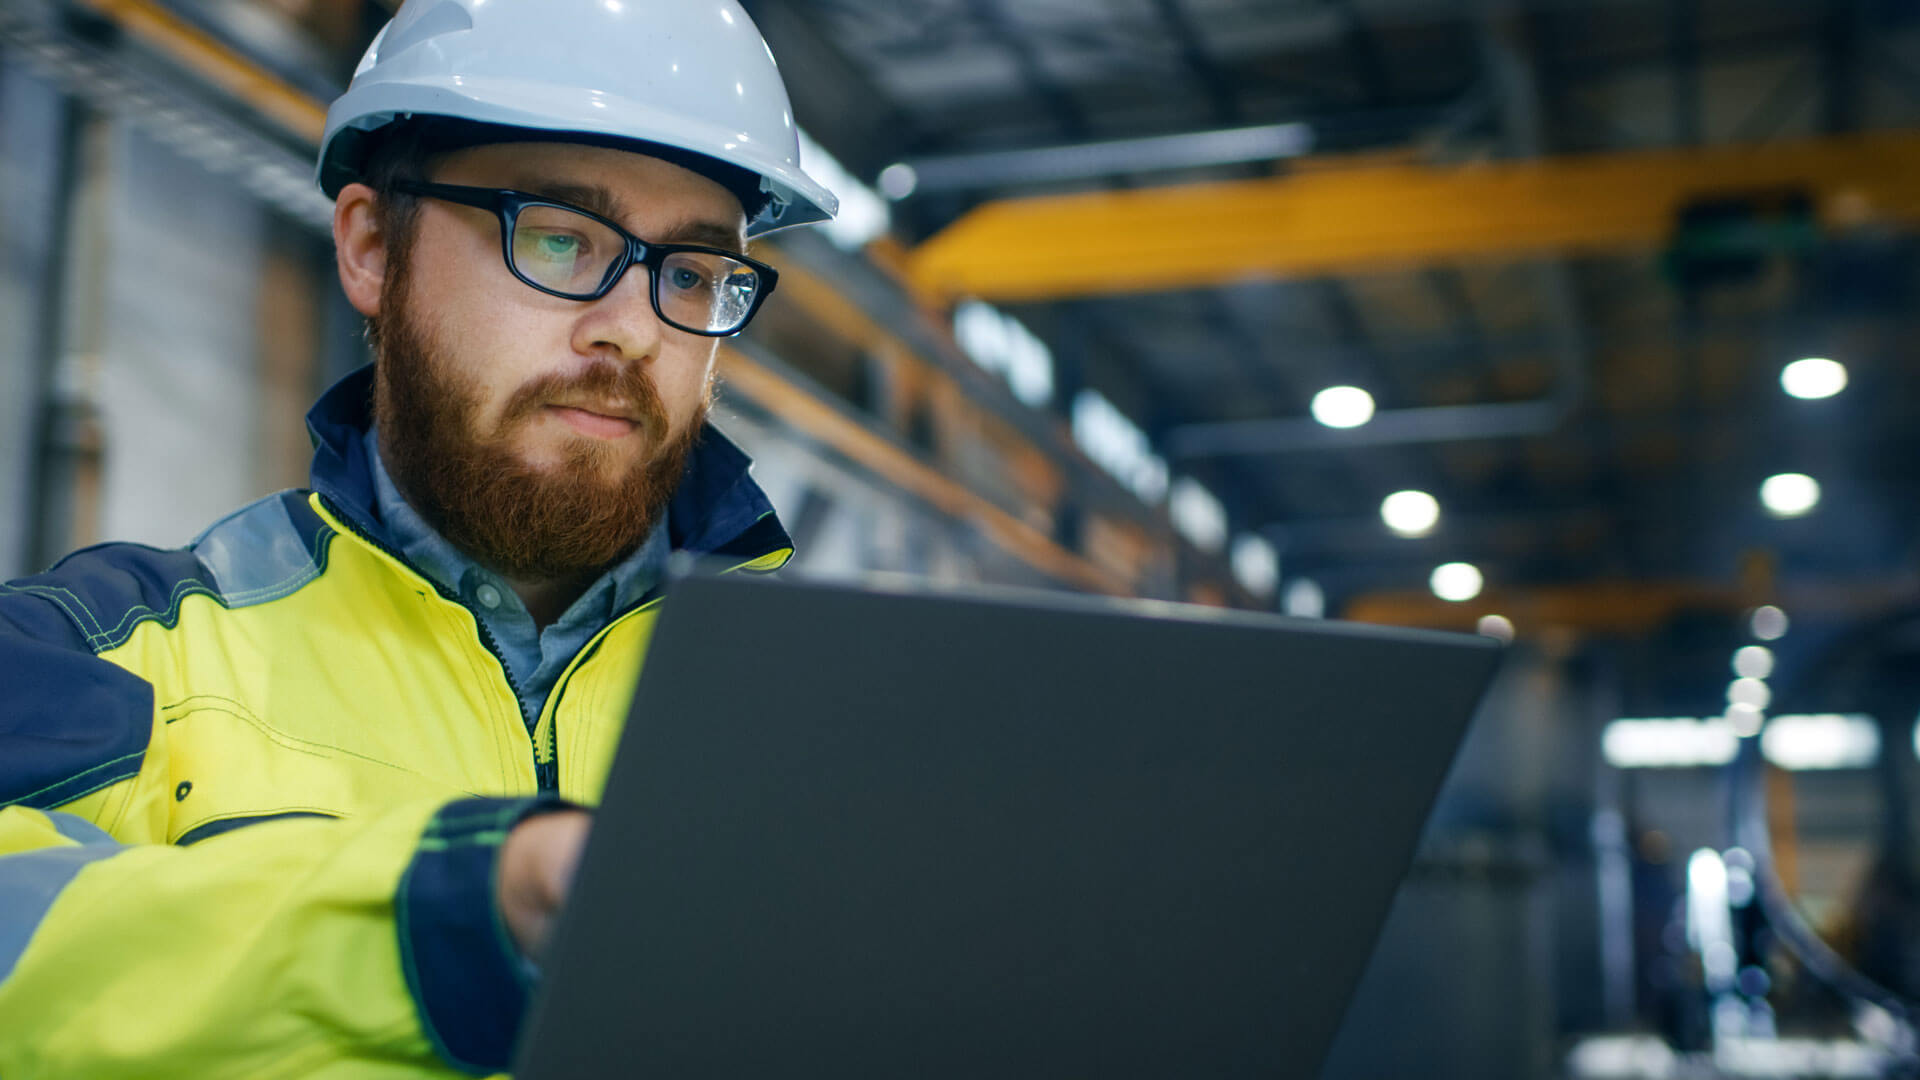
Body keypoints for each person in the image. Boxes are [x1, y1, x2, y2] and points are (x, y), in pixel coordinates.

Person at [0, 0, 836, 1073]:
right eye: (557, 237)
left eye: (689, 275)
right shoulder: (105, 654)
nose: (630, 328)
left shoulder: (829, 714)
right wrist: (448, 919)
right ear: (369, 249)